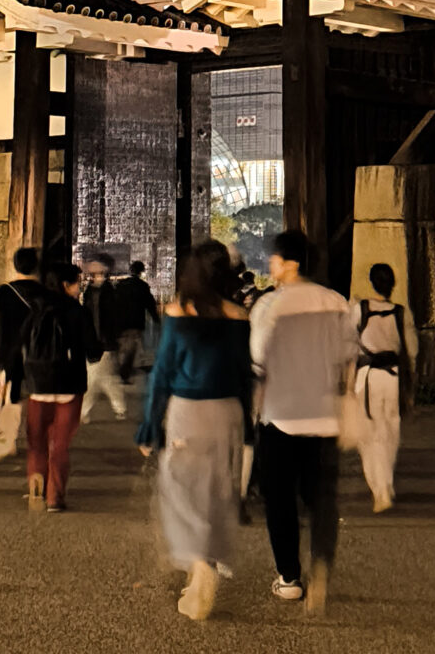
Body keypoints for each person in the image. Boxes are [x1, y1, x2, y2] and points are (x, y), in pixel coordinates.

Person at [136, 241, 253, 622]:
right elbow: (243, 376)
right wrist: (249, 427)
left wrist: (150, 425)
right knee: (218, 490)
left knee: (181, 489)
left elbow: (163, 373)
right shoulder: (238, 315)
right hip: (227, 413)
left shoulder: (177, 312)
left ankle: (198, 563)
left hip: (188, 411)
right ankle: (206, 563)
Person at [250, 230, 357, 616]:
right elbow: (348, 358)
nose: (270, 266)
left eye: (274, 260)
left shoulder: (269, 306)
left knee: (280, 500)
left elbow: (258, 361)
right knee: (321, 499)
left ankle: (290, 578)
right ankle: (322, 565)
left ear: (289, 262)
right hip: (325, 415)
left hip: (280, 415)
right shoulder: (337, 302)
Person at [2, 263, 101, 513]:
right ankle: (55, 496)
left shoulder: (35, 310)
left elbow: (18, 346)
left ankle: (36, 481)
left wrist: (11, 378)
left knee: (36, 441)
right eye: (77, 283)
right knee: (59, 443)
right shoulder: (79, 312)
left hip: (38, 385)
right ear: (66, 285)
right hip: (69, 385)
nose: (79, 288)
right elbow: (93, 350)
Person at [352, 262, 418, 514]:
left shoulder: (360, 310)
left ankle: (379, 489)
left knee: (368, 436)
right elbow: (411, 352)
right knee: (390, 432)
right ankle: (386, 484)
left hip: (366, 378)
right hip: (394, 378)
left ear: (371, 282)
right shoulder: (402, 313)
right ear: (392, 284)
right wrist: (411, 388)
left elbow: (348, 349)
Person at [0, 248, 45, 403]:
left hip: (11, 350)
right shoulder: (45, 293)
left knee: (10, 396)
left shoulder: (4, 291)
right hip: (37, 351)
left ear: (15, 265)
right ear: (37, 266)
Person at [80, 254, 127, 423]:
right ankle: (119, 407)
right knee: (107, 378)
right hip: (100, 341)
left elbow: (112, 318)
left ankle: (84, 412)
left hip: (102, 341)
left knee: (94, 379)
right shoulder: (95, 290)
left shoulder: (104, 291)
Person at [115, 260, 159, 383]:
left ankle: (122, 369)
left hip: (120, 321)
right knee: (130, 348)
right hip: (135, 321)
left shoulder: (121, 285)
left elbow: (114, 303)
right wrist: (156, 318)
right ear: (141, 272)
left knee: (123, 347)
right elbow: (150, 304)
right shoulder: (142, 286)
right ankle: (124, 372)